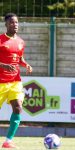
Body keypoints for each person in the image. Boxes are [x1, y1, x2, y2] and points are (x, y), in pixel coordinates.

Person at [0, 13, 32, 148]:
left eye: (17, 22)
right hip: (1, 82)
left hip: (15, 81)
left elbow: (19, 59)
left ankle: (8, 141)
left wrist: (26, 65)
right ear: (6, 24)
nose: (15, 25)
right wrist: (3, 65)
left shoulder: (20, 42)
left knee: (18, 108)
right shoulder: (0, 40)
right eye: (12, 22)